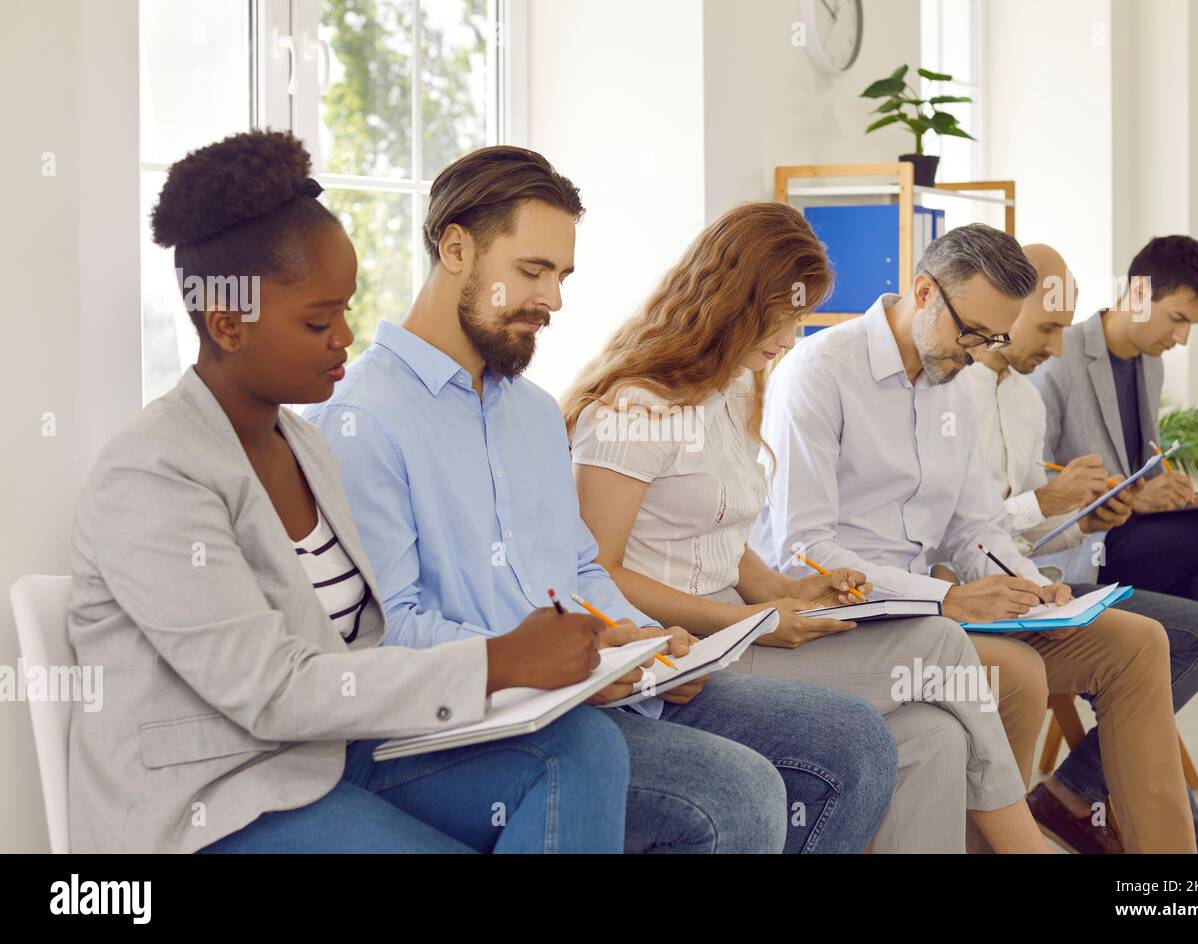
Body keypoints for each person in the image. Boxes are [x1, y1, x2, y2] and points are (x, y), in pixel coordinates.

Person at [305, 146, 898, 853]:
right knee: (736, 795)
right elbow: (390, 631)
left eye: (561, 275)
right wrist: (560, 660)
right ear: (455, 248)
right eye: (532, 271)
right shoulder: (360, 421)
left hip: (589, 691)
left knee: (855, 743)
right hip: (457, 728)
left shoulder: (527, 410)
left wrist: (639, 640)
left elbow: (583, 569)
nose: (553, 299)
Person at [67, 130, 633, 854]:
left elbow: (356, 643)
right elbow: (270, 689)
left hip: (333, 753)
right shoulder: (151, 473)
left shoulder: (303, 445)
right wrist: (499, 662)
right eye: (317, 319)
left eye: (346, 307)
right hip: (217, 799)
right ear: (227, 322)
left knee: (585, 749)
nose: (346, 334)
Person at [562, 202, 1047, 853]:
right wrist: (752, 619)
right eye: (784, 318)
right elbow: (599, 574)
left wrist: (783, 593)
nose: (791, 339)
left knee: (936, 737)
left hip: (739, 628)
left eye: (800, 319)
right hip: (685, 652)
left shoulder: (732, 389)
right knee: (939, 643)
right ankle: (1027, 846)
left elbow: (723, 543)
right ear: (729, 299)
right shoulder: (633, 408)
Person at [755, 222, 1196, 852]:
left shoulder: (955, 384)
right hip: (855, 615)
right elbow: (802, 548)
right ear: (924, 290)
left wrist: (1033, 585)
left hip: (940, 607)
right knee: (1016, 675)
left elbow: (976, 528)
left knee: (1139, 643)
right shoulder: (819, 373)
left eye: (994, 338)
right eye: (972, 333)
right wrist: (946, 600)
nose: (978, 352)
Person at [954, 243, 1198, 853]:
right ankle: (1084, 806)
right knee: (1188, 624)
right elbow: (959, 533)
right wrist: (1049, 504)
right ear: (1006, 309)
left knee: (1184, 626)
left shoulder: (1024, 400)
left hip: (1027, 584)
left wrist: (1085, 519)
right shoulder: (949, 396)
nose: (1058, 348)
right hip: (963, 598)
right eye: (1050, 328)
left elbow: (1015, 534)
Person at [1033, 234, 1198, 852]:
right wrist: (1127, 499)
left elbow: (1141, 467)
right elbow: (1036, 483)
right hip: (1084, 551)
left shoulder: (1146, 365)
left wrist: (1173, 491)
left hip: (1138, 541)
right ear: (1137, 293)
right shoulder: (1059, 351)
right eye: (1179, 318)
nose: (1181, 338)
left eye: (1191, 326)